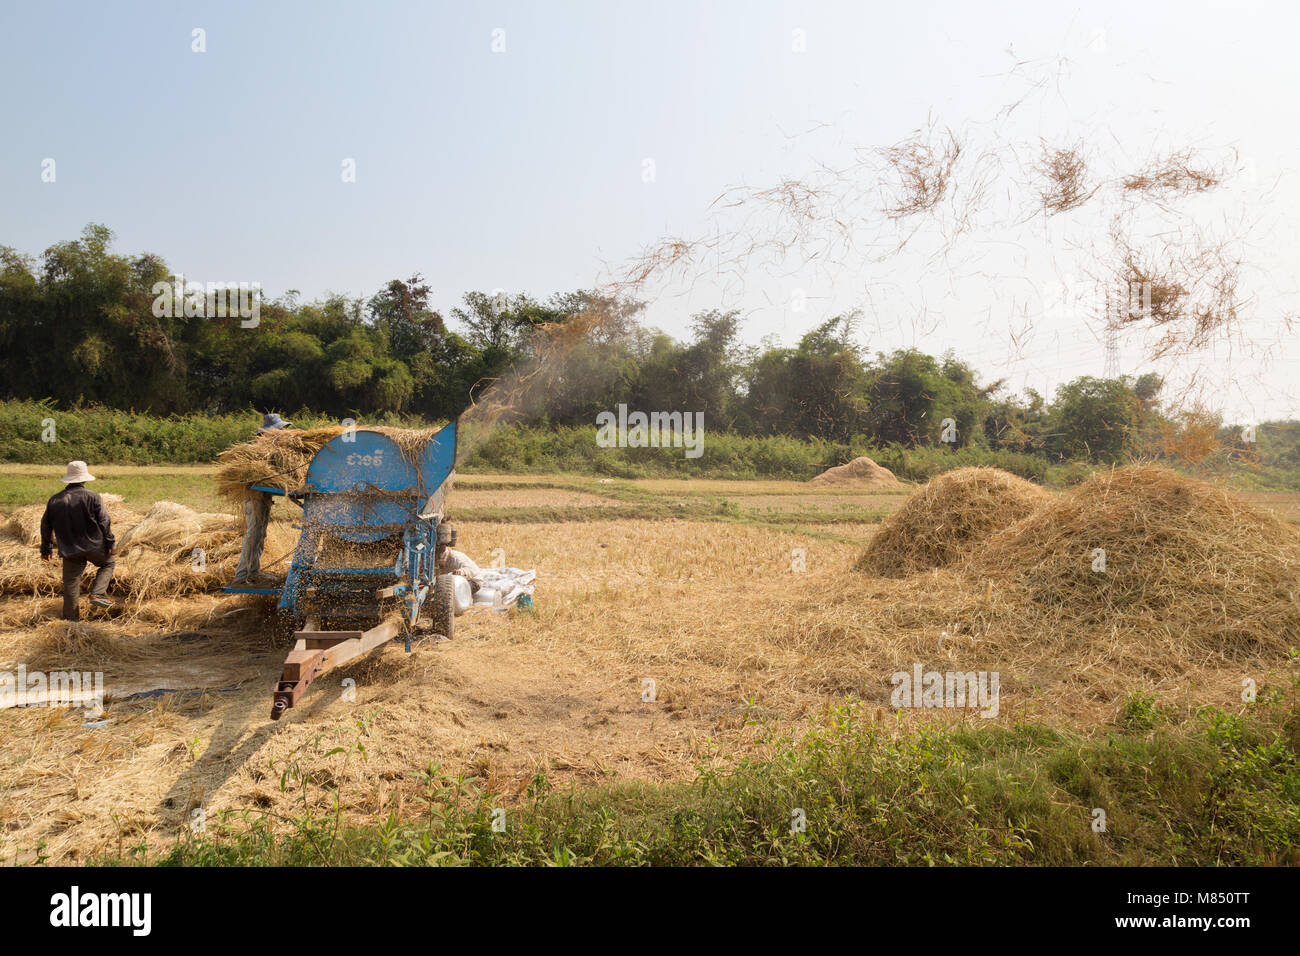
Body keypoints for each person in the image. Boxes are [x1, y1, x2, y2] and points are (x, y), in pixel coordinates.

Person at [40, 461, 117, 620]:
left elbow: (45, 525)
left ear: (68, 479)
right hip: (94, 545)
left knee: (70, 584)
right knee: (108, 563)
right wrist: (110, 542)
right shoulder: (92, 497)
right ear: (84, 479)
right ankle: (98, 594)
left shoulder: (55, 500)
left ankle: (71, 623)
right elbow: (104, 521)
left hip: (69, 550)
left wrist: (46, 549)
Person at [232, 413, 293, 587]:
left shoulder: (271, 450)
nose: (283, 433)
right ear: (270, 432)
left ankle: (253, 573)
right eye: (281, 430)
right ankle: (241, 577)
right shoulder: (258, 453)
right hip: (255, 499)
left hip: (263, 499)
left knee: (259, 535)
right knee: (253, 535)